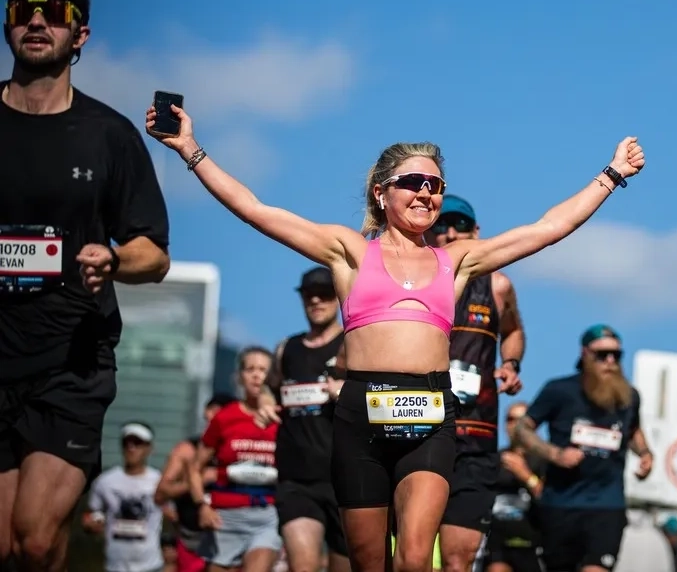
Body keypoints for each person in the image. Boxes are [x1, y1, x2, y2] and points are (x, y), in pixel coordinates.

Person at [143, 100, 645, 572]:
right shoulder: (349, 252)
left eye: (436, 184)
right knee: (367, 563)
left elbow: (546, 228)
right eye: (414, 182)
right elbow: (256, 209)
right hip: (360, 412)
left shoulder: (458, 260)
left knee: (412, 560)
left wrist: (611, 175)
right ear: (381, 192)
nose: (427, 192)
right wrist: (190, 149)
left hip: (430, 411)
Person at [0, 0, 171, 571]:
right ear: (7, 23)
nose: (38, 20)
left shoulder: (109, 135)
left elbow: (154, 251)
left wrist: (116, 257)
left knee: (37, 540)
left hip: (70, 362)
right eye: (24, 9)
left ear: (81, 34)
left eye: (54, 12)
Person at [428, 195, 527, 572]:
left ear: (477, 233)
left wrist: (511, 363)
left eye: (460, 226)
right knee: (411, 554)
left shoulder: (497, 286)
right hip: (420, 431)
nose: (450, 233)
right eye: (440, 225)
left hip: (475, 436)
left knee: (458, 558)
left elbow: (514, 331)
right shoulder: (411, 282)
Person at [513, 325, 654, 572]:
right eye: (602, 355)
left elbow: (632, 430)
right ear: (585, 354)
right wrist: (555, 454)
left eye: (616, 355)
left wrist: (644, 454)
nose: (610, 361)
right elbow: (523, 428)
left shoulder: (629, 397)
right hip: (561, 504)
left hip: (607, 506)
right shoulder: (559, 391)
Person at [255, 267, 350, 572]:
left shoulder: (352, 344)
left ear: (338, 298)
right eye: (310, 296)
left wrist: (347, 393)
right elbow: (269, 390)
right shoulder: (287, 348)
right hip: (296, 479)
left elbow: (377, 395)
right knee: (303, 566)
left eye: (324, 295)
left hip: (346, 478)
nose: (317, 301)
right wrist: (266, 403)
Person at [190, 348, 281, 572]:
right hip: (224, 518)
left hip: (267, 515)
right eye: (250, 369)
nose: (256, 375)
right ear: (240, 376)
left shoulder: (282, 417)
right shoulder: (224, 418)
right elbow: (194, 468)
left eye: (263, 370)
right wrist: (202, 505)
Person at [154, 393, 239, 572]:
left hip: (232, 536)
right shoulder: (187, 450)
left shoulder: (242, 450)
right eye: (213, 414)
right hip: (191, 541)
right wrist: (198, 480)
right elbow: (161, 493)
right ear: (206, 414)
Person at [82, 422, 165, 572]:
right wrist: (91, 524)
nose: (131, 448)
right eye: (127, 443)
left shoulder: (159, 481)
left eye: (138, 443)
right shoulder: (105, 481)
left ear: (149, 448)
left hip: (150, 565)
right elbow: (92, 513)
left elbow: (172, 516)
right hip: (115, 565)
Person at [483, 402, 546, 572]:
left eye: (521, 420)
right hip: (495, 543)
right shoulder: (492, 461)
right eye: (510, 419)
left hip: (534, 544)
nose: (515, 426)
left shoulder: (544, 461)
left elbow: (551, 501)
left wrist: (526, 476)